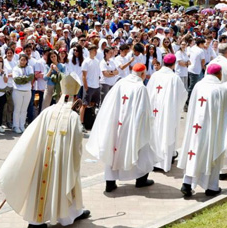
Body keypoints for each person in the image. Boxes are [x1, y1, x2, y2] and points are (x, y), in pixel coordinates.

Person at [0, 72, 90, 228]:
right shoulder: (73, 117)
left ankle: (35, 222)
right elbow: (77, 147)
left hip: (44, 159)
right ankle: (66, 217)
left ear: (61, 92)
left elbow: (31, 136)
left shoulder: (48, 111)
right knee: (66, 181)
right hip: (62, 162)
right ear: (76, 95)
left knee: (40, 187)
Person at [87, 63, 157, 193]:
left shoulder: (121, 82)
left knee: (113, 150)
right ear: (142, 74)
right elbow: (143, 112)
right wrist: (148, 124)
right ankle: (141, 179)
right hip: (132, 126)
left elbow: (109, 103)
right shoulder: (141, 87)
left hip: (116, 124)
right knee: (142, 149)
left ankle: (110, 182)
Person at [178, 64, 227, 197]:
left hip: (196, 127)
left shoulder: (198, 85)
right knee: (212, 153)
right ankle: (212, 187)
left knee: (193, 152)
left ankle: (187, 183)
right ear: (219, 74)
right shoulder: (222, 89)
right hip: (212, 130)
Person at [146, 54, 186, 172]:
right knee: (166, 133)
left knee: (154, 133)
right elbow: (183, 95)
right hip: (168, 113)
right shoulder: (174, 78)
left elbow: (148, 91)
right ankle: (163, 162)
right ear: (174, 64)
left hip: (154, 111)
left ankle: (153, 161)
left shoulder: (155, 75)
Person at [11, 54, 34, 134]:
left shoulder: (29, 68)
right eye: (21, 60)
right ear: (19, 60)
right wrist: (26, 78)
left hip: (27, 91)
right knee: (17, 109)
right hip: (18, 91)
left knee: (24, 110)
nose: (23, 61)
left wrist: (23, 79)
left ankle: (22, 125)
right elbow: (16, 80)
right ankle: (16, 126)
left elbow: (31, 77)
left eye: (24, 60)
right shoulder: (15, 68)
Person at [80, 45, 101, 129]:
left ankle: (91, 121)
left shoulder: (97, 61)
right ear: (90, 51)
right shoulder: (86, 62)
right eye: (94, 50)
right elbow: (84, 76)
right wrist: (86, 86)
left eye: (96, 50)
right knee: (84, 104)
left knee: (94, 104)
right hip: (89, 86)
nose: (95, 52)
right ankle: (81, 123)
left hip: (96, 86)